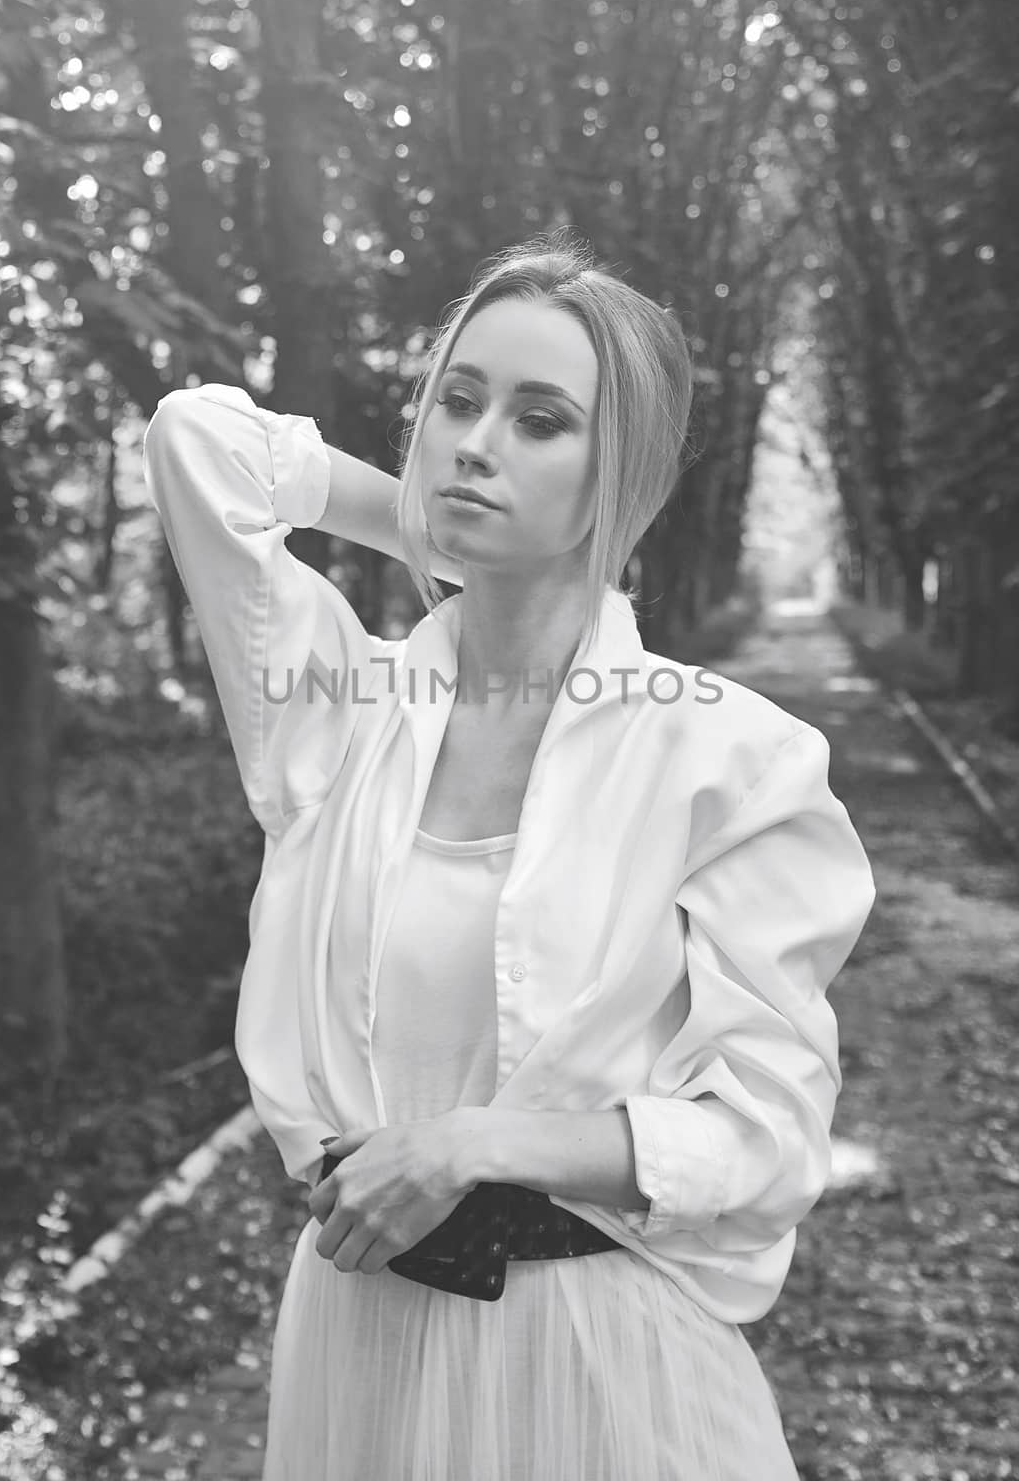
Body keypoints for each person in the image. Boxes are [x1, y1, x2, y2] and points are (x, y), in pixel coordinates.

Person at [141, 231, 876, 1480]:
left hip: (596, 1363)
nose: (477, 440)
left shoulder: (728, 759)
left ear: (620, 473)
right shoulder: (336, 714)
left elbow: (765, 1144)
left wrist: (473, 1144)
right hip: (357, 1345)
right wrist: (420, 525)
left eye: (542, 420)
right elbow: (194, 442)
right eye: (457, 403)